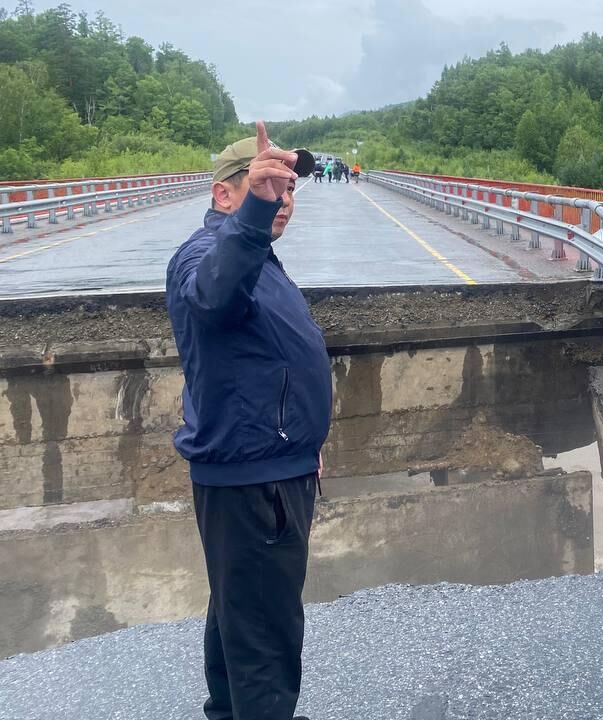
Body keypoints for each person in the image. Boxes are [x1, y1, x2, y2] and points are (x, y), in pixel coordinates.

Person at [165, 121, 330, 720]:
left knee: (239, 613)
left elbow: (267, 362)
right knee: (266, 633)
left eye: (287, 190)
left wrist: (305, 441)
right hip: (253, 480)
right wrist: (254, 219)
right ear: (223, 195)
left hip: (267, 465)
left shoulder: (253, 252)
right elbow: (212, 296)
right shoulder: (210, 254)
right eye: (264, 186)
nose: (282, 201)